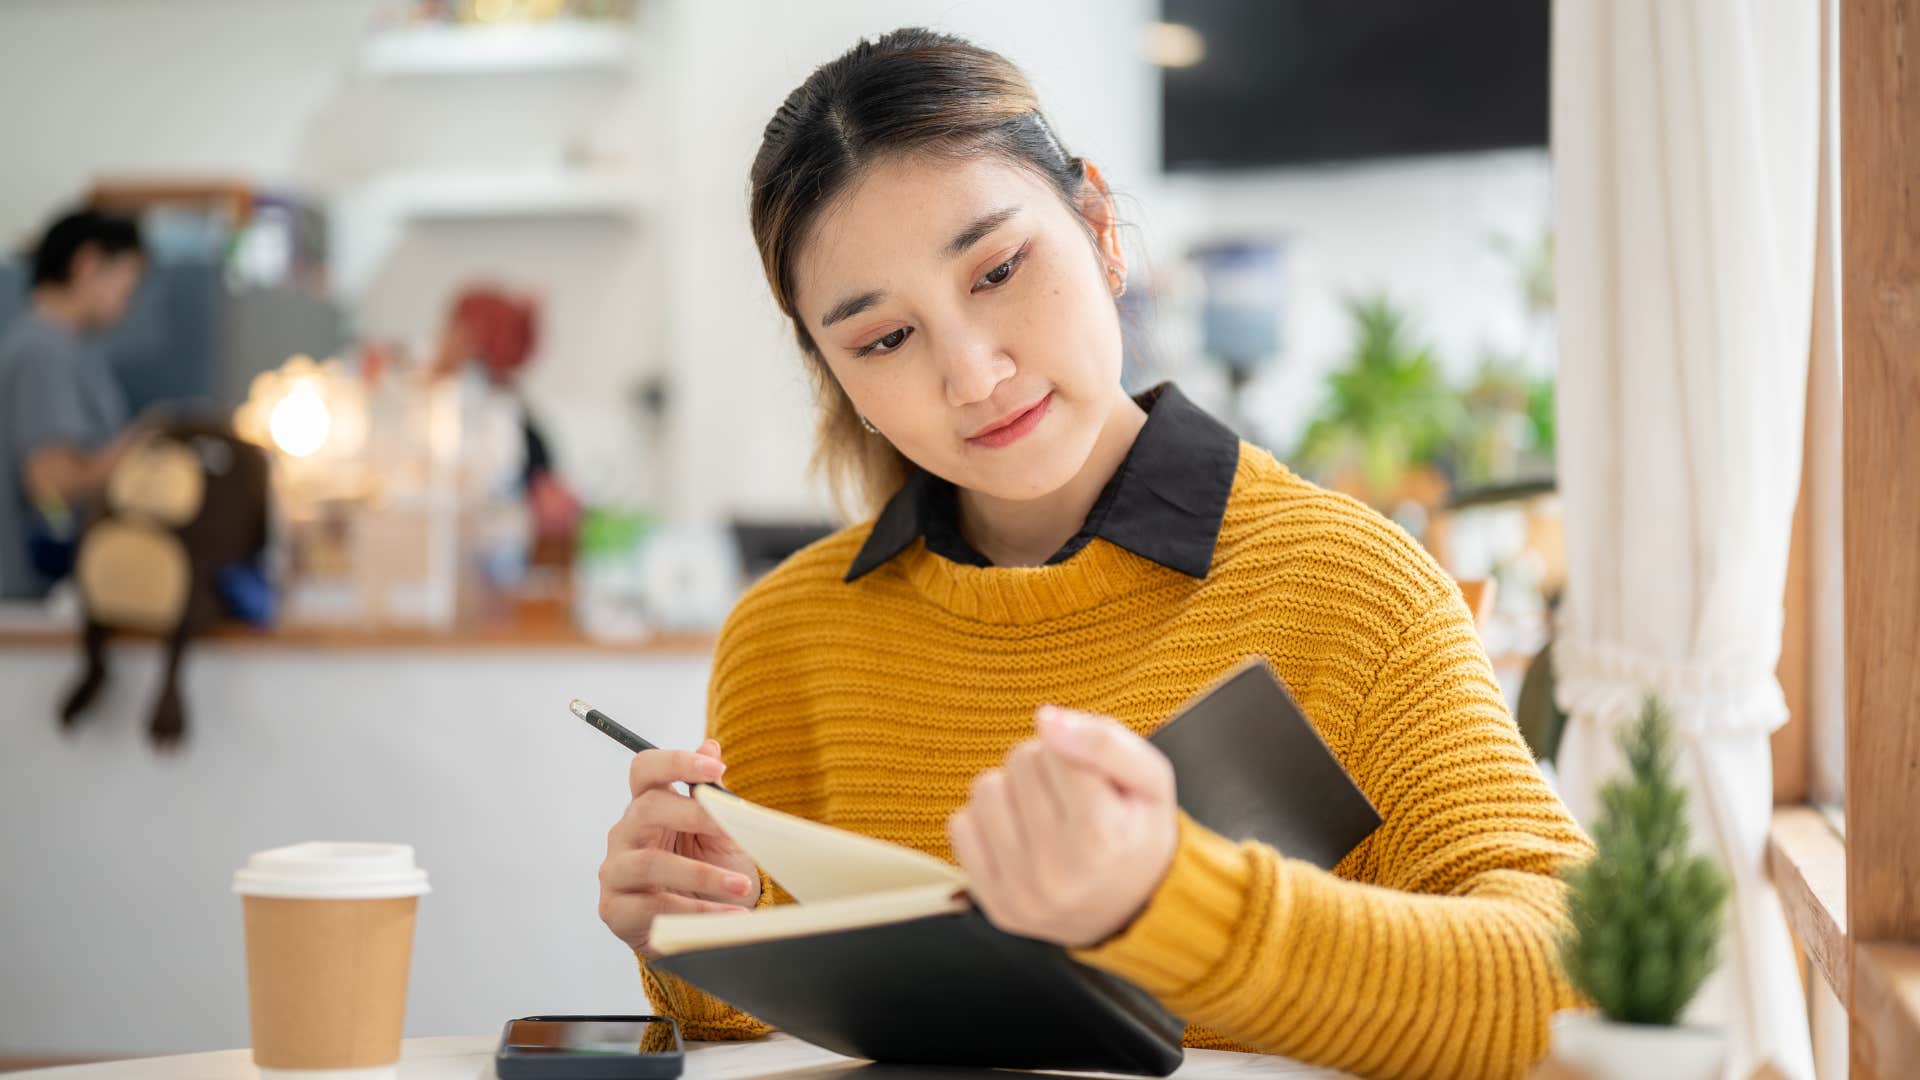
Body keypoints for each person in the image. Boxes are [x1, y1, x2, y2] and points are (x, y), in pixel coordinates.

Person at [596, 28, 1594, 1080]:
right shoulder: (788, 636)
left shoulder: (1350, 589)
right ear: (838, 377)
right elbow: (751, 1023)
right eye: (885, 340)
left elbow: (1574, 980)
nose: (973, 375)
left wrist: (1180, 904)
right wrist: (692, 926)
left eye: (999, 270)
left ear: (1102, 229)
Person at [0, 208, 147, 600]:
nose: (127, 302)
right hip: (27, 599)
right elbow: (51, 482)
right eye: (126, 285)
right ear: (88, 262)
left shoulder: (65, 350)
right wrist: (145, 442)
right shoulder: (41, 353)